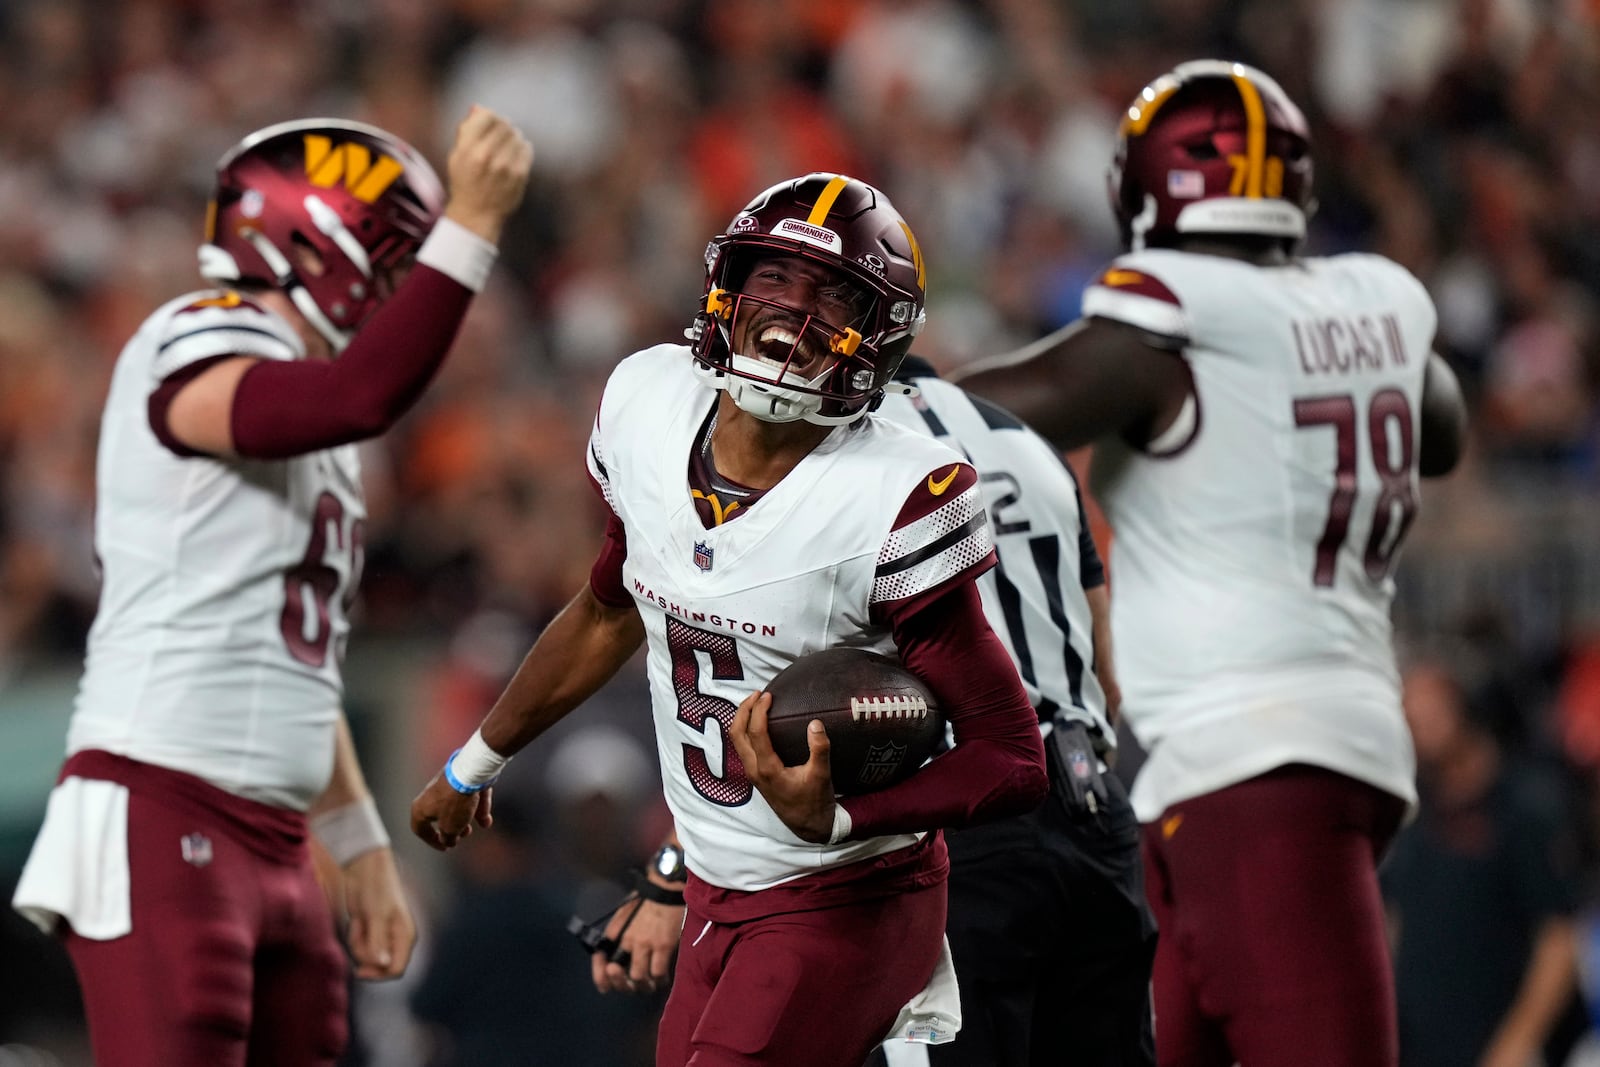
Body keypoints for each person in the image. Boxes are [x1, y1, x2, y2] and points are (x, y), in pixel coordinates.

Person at [410, 172, 1049, 1067]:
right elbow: (606, 611)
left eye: (835, 293)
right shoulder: (649, 402)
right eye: (776, 279)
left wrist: (839, 817)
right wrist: (478, 759)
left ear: (882, 335)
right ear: (727, 287)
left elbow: (1013, 757)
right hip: (717, 891)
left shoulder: (897, 491)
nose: (795, 309)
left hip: (847, 895)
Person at [955, 60, 1468, 1067]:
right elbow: (1437, 427)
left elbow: (1035, 392)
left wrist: (880, 404)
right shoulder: (1377, 301)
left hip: (1255, 762)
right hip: (1255, 758)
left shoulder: (1175, 318)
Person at [11, 108, 532, 1067]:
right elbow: (358, 396)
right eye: (392, 260)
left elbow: (295, 657)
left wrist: (362, 840)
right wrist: (473, 228)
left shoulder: (317, 435)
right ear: (313, 236)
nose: (396, 290)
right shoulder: (194, 332)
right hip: (164, 797)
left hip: (282, 838)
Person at [590, 356, 1158, 1067]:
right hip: (1092, 812)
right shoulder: (1025, 441)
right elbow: (1107, 678)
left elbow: (756, 693)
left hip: (957, 811)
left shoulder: (842, 459)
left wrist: (672, 871)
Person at [1384, 658, 1586, 1067]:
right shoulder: (1411, 812)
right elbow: (1391, 922)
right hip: (1419, 1047)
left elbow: (1559, 942)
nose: (1420, 730)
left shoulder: (1523, 806)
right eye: (1410, 718)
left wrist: (1515, 1047)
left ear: (1465, 710)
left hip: (1502, 1044)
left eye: (1430, 714)